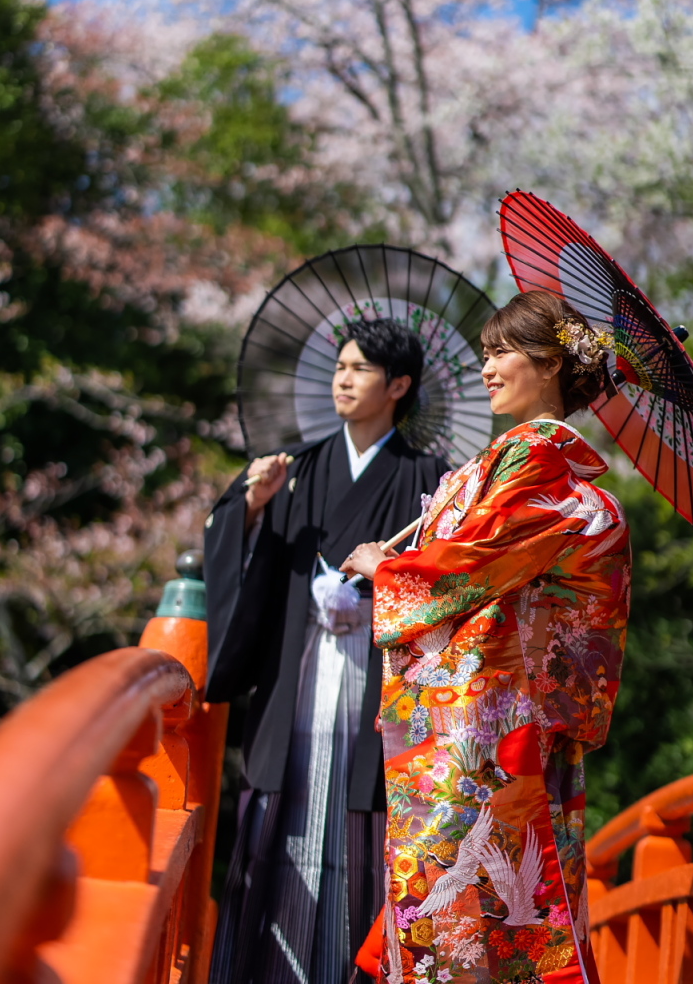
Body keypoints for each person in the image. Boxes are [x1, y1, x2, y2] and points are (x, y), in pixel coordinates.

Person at [342, 292, 631, 983]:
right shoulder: (523, 459)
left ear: (551, 363)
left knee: (486, 916)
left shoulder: (541, 459)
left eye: (502, 352)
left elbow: (474, 565)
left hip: (498, 732)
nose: (488, 368)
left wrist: (389, 568)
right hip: (504, 722)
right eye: (485, 354)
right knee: (495, 913)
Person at [204, 318, 450, 984]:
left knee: (362, 839)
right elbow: (234, 553)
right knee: (278, 838)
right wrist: (250, 510)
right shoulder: (294, 469)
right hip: (298, 674)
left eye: (360, 368)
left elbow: (445, 585)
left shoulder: (433, 480)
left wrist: (378, 592)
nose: (343, 378)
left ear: (398, 385)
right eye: (340, 365)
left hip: (373, 684)